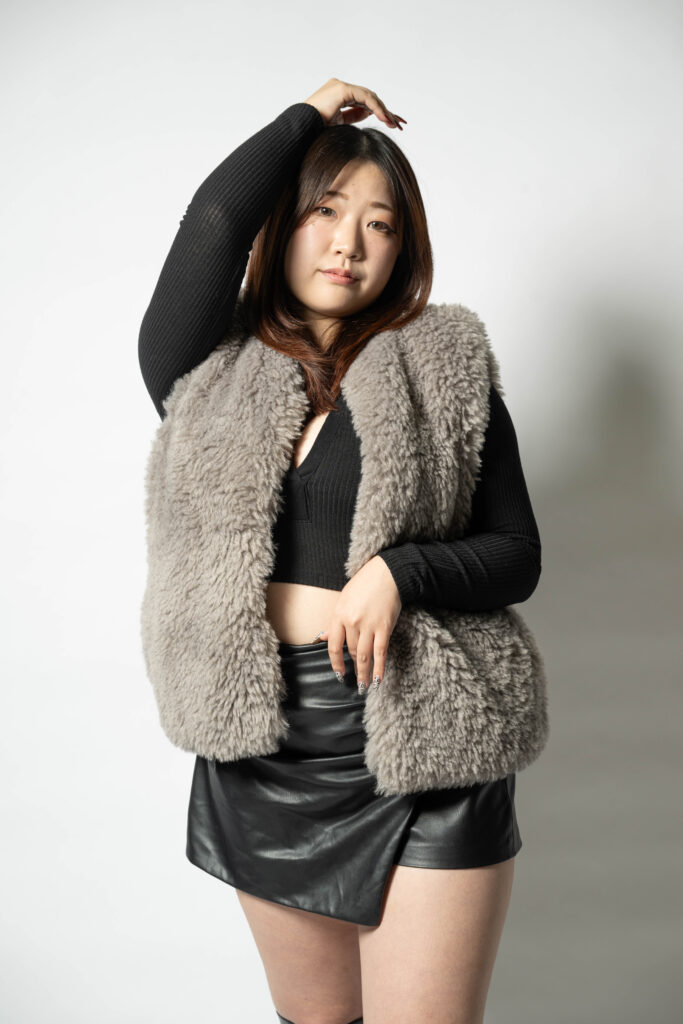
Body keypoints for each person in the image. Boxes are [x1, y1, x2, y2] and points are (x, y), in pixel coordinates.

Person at [138, 78, 543, 1024]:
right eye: (324, 211)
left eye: (379, 224)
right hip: (266, 749)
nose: (348, 242)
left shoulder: (444, 367)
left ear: (404, 249)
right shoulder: (205, 370)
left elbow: (516, 552)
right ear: (283, 226)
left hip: (421, 742)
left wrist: (401, 572)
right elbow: (211, 223)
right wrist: (306, 119)